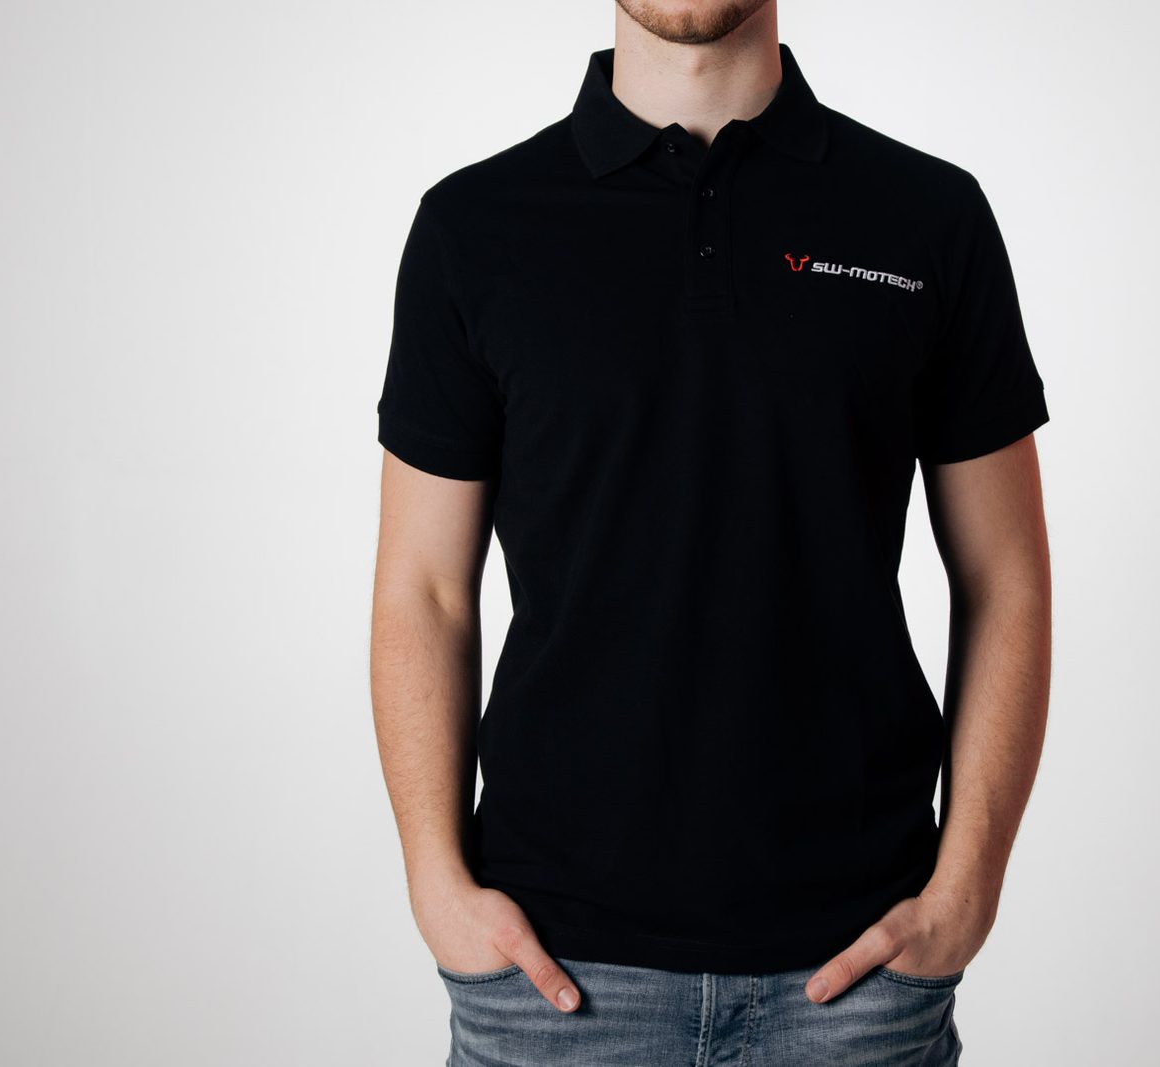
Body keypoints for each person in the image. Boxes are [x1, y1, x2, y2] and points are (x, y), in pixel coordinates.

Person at [369, 2, 1052, 1063]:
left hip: (857, 976)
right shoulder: (475, 225)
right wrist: (435, 882)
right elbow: (425, 588)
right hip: (551, 972)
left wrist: (965, 889)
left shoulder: (927, 215)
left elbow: (1006, 575)